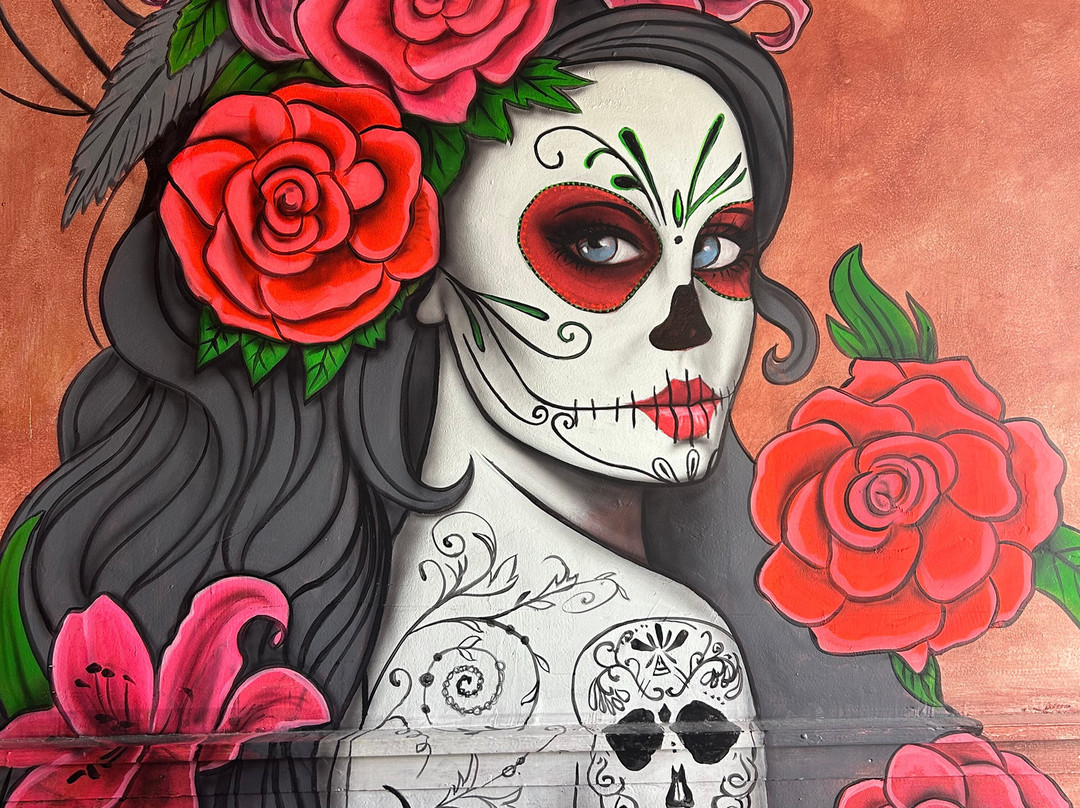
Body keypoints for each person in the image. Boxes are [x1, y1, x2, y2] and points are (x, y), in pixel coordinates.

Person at [0, 2, 965, 806]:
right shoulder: (658, 659)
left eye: (719, 249)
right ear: (419, 258)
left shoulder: (323, 619)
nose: (689, 325)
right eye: (598, 243)